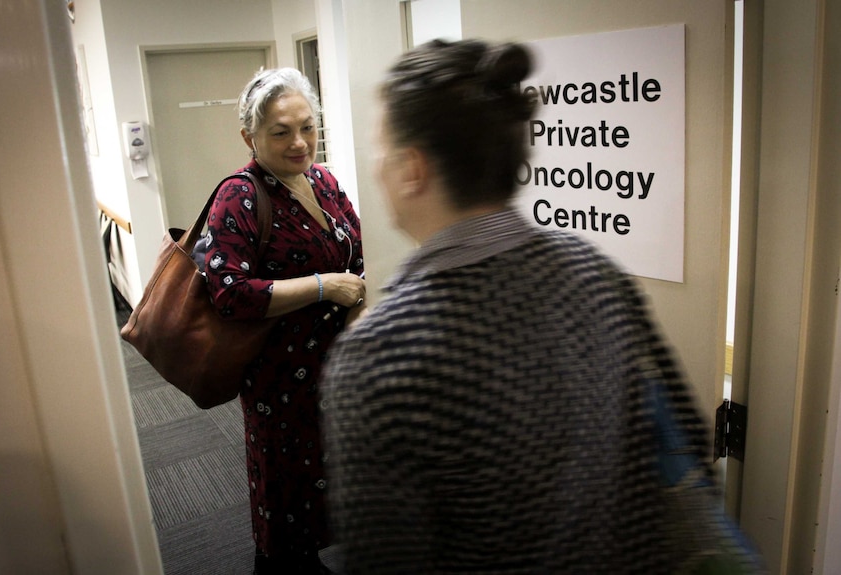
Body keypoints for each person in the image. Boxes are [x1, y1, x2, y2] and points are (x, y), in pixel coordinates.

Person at [319, 39, 765, 574]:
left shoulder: (380, 358)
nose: (374, 166)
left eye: (379, 147)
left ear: (412, 169)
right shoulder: (595, 271)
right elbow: (685, 447)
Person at [204, 67, 365, 574]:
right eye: (281, 131)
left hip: (337, 365)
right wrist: (323, 285)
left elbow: (357, 255)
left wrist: (357, 314)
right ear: (249, 135)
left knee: (331, 479)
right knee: (287, 492)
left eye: (308, 126)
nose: (300, 142)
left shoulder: (323, 180)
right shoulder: (241, 196)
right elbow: (228, 293)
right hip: (281, 377)